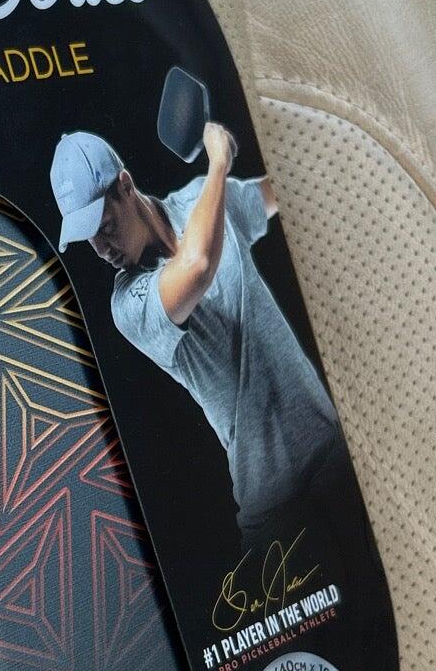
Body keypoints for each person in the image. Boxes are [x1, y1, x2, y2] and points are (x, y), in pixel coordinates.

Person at [51, 125, 350, 548]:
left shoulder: (201, 201)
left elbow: (279, 191)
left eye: (105, 226)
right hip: (278, 513)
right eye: (89, 239)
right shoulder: (128, 303)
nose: (101, 248)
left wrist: (328, 152)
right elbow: (197, 265)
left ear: (126, 186)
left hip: (338, 456)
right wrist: (219, 162)